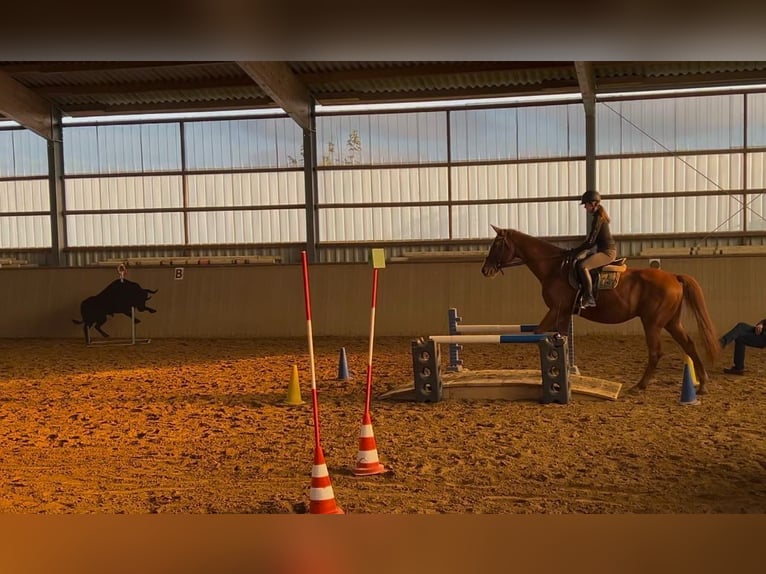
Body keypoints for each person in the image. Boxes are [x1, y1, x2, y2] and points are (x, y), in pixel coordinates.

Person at [565, 190, 617, 308]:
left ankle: (589, 297)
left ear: (593, 204)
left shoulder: (598, 219)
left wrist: (575, 251)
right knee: (578, 261)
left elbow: (590, 242)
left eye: (586, 205)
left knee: (583, 266)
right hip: (601, 250)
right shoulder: (598, 217)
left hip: (607, 252)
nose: (585, 208)